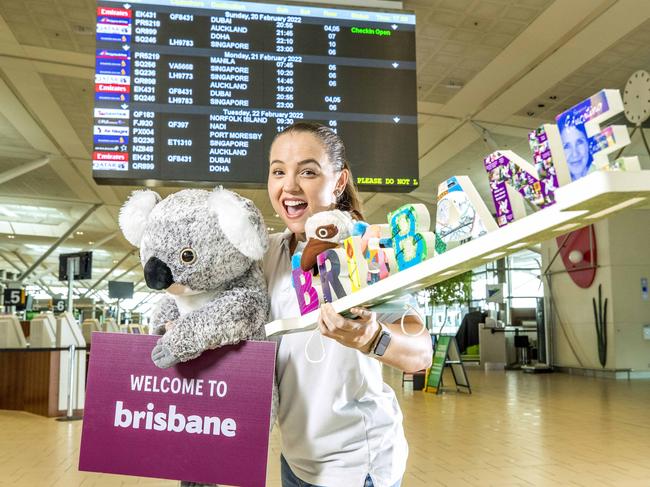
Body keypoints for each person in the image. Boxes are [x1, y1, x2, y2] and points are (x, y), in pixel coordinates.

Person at [263, 122, 433, 487]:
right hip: (295, 459)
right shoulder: (268, 254)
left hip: (356, 467)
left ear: (338, 182)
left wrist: (372, 338)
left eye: (307, 171)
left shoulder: (366, 252)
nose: (289, 186)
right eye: (278, 171)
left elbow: (421, 354)